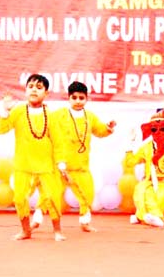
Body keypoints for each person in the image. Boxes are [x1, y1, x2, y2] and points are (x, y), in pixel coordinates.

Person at [33, 81, 116, 233]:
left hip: (80, 166)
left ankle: (85, 222)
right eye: (75, 97)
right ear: (69, 98)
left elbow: (99, 130)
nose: (78, 101)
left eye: (81, 98)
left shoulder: (90, 117)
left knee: (87, 194)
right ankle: (37, 217)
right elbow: (45, 125)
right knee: (49, 193)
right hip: (60, 165)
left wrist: (108, 128)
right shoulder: (59, 115)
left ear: (87, 99)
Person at [0, 74, 66, 241]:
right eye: (31, 86)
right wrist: (5, 111)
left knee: (52, 197)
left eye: (39, 87)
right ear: (26, 90)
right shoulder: (18, 111)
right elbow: (3, 129)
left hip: (46, 166)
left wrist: (61, 163)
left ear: (46, 93)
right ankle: (25, 230)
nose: (34, 90)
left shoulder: (51, 115)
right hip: (23, 165)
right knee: (20, 198)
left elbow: (58, 141)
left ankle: (57, 231)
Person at [125, 109, 164, 227]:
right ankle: (154, 217)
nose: (159, 132)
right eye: (154, 129)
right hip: (149, 181)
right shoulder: (146, 148)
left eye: (163, 129)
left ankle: (143, 216)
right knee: (141, 190)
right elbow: (130, 162)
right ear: (150, 131)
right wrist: (130, 142)